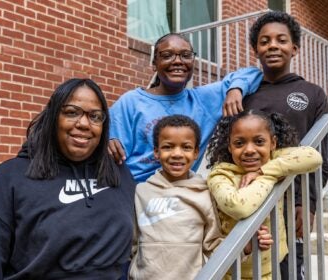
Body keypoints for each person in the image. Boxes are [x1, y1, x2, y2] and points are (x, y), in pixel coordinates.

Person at [0, 78, 136, 279]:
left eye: (95, 116)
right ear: (53, 118)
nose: (83, 123)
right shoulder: (10, 179)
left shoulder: (119, 174)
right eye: (71, 112)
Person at [130, 114, 273, 280]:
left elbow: (213, 245)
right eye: (168, 147)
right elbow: (130, 243)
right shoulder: (141, 192)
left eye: (186, 147)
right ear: (156, 151)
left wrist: (246, 247)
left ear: (196, 152)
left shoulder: (205, 192)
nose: (177, 154)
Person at [108, 32, 263, 183]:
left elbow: (253, 73)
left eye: (185, 55)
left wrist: (235, 89)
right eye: (167, 55)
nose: (177, 61)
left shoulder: (203, 100)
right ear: (154, 64)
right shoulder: (131, 102)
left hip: (179, 192)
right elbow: (110, 150)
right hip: (134, 191)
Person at [242, 11, 328, 279]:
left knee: (289, 268)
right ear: (255, 49)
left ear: (295, 48)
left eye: (281, 40)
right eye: (265, 41)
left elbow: (320, 155)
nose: (273, 46)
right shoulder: (246, 93)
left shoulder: (312, 93)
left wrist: (309, 203)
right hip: (249, 197)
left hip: (292, 200)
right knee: (251, 267)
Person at [206, 110, 323, 279]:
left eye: (259, 142)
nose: (249, 150)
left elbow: (314, 157)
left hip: (271, 266)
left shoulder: (271, 161)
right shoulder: (221, 174)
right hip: (233, 270)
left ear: (273, 143)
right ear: (230, 146)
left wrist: (264, 171)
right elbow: (239, 206)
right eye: (239, 143)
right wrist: (270, 176)